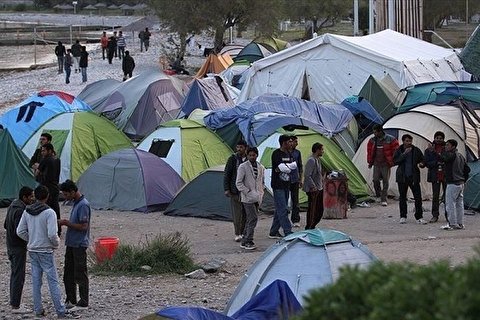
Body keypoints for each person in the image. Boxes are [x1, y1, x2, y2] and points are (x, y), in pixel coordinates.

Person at [16, 186, 69, 318]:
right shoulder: (49, 212)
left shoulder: (27, 211)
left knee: (36, 281)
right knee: (53, 281)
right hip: (45, 250)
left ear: (35, 196)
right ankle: (60, 310)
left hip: (33, 250)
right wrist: (56, 243)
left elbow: (20, 231)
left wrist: (31, 239)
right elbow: (52, 234)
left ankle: (38, 309)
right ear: (47, 196)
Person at [59, 180, 91, 311]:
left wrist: (66, 223)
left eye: (66, 194)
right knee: (68, 273)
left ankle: (83, 302)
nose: (65, 197)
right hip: (71, 243)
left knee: (80, 273)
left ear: (73, 192)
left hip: (79, 244)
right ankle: (71, 299)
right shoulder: (76, 203)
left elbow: (84, 226)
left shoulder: (83, 205)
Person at [4, 186, 35, 314]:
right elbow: (20, 231)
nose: (33, 199)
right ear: (25, 197)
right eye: (31, 196)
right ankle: (16, 305)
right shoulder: (21, 210)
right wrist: (30, 239)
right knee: (18, 275)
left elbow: (6, 225)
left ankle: (13, 301)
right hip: (18, 248)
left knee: (14, 274)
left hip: (10, 245)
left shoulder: (12, 206)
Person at [235, 147, 265, 250]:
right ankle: (248, 240)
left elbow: (261, 181)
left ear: (257, 155)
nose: (252, 157)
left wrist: (261, 191)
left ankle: (244, 240)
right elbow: (238, 183)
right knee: (253, 218)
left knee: (250, 219)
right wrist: (247, 191)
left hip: (257, 197)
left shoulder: (260, 167)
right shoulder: (243, 167)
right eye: (250, 155)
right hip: (247, 198)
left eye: (254, 155)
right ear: (247, 156)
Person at [393, 134, 427, 224]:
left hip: (413, 177)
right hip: (402, 177)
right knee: (403, 197)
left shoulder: (416, 150)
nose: (409, 143)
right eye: (407, 141)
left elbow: (422, 160)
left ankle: (419, 216)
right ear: (403, 141)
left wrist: (422, 164)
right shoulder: (399, 150)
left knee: (418, 197)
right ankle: (403, 216)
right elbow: (395, 161)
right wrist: (404, 154)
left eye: (410, 141)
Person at [269, 135, 296, 239]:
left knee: (279, 209)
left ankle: (273, 231)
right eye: (289, 142)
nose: (291, 144)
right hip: (278, 185)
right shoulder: (276, 154)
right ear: (284, 143)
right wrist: (286, 167)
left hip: (286, 184)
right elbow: (281, 168)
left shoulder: (289, 154)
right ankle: (288, 231)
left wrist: (286, 167)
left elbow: (293, 167)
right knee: (283, 209)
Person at [367, 124, 399, 206]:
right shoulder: (372, 140)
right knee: (375, 180)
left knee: (385, 181)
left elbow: (396, 150)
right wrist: (370, 162)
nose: (374, 134)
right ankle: (378, 194)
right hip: (376, 163)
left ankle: (383, 198)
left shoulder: (391, 139)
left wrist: (392, 161)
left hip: (386, 164)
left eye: (375, 132)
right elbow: (370, 151)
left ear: (380, 131)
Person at [441, 139, 468, 230]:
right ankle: (460, 223)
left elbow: (444, 158)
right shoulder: (460, 156)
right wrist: (464, 179)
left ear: (453, 146)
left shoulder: (451, 155)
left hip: (452, 182)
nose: (446, 147)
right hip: (460, 183)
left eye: (448, 145)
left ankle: (452, 223)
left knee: (450, 204)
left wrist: (435, 152)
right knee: (459, 204)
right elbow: (467, 169)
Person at [224, 140, 247, 242]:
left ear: (245, 148)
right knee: (237, 213)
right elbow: (227, 174)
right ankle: (237, 233)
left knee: (246, 213)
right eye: (237, 147)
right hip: (235, 191)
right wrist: (227, 189)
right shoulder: (233, 159)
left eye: (241, 147)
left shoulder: (249, 158)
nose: (239, 149)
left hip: (247, 191)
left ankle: (243, 232)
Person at [36, 143, 61, 233]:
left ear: (49, 150)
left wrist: (36, 168)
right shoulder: (57, 159)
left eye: (44, 150)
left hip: (47, 187)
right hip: (55, 186)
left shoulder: (45, 160)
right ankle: (58, 229)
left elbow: (37, 173)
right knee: (55, 208)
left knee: (46, 208)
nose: (42, 152)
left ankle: (48, 229)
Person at [424, 131, 446, 223]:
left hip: (446, 175)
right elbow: (427, 162)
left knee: (447, 196)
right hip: (435, 175)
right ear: (434, 138)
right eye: (437, 138)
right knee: (435, 196)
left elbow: (447, 159)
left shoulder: (447, 147)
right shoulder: (429, 150)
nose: (439, 140)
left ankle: (449, 215)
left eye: (440, 138)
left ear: (443, 139)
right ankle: (435, 215)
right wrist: (437, 163)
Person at [303, 142, 324, 229]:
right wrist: (313, 186)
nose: (323, 151)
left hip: (319, 188)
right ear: (317, 150)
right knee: (313, 209)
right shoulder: (311, 160)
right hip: (313, 189)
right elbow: (307, 175)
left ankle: (313, 225)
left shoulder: (317, 160)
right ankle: (309, 226)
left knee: (319, 209)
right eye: (322, 149)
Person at [288, 136, 303, 227]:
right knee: (285, 201)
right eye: (294, 142)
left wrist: (301, 179)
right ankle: (284, 220)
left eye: (296, 142)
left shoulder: (297, 153)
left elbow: (300, 166)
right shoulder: (284, 152)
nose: (296, 143)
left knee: (295, 201)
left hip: (295, 179)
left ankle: (295, 220)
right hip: (285, 180)